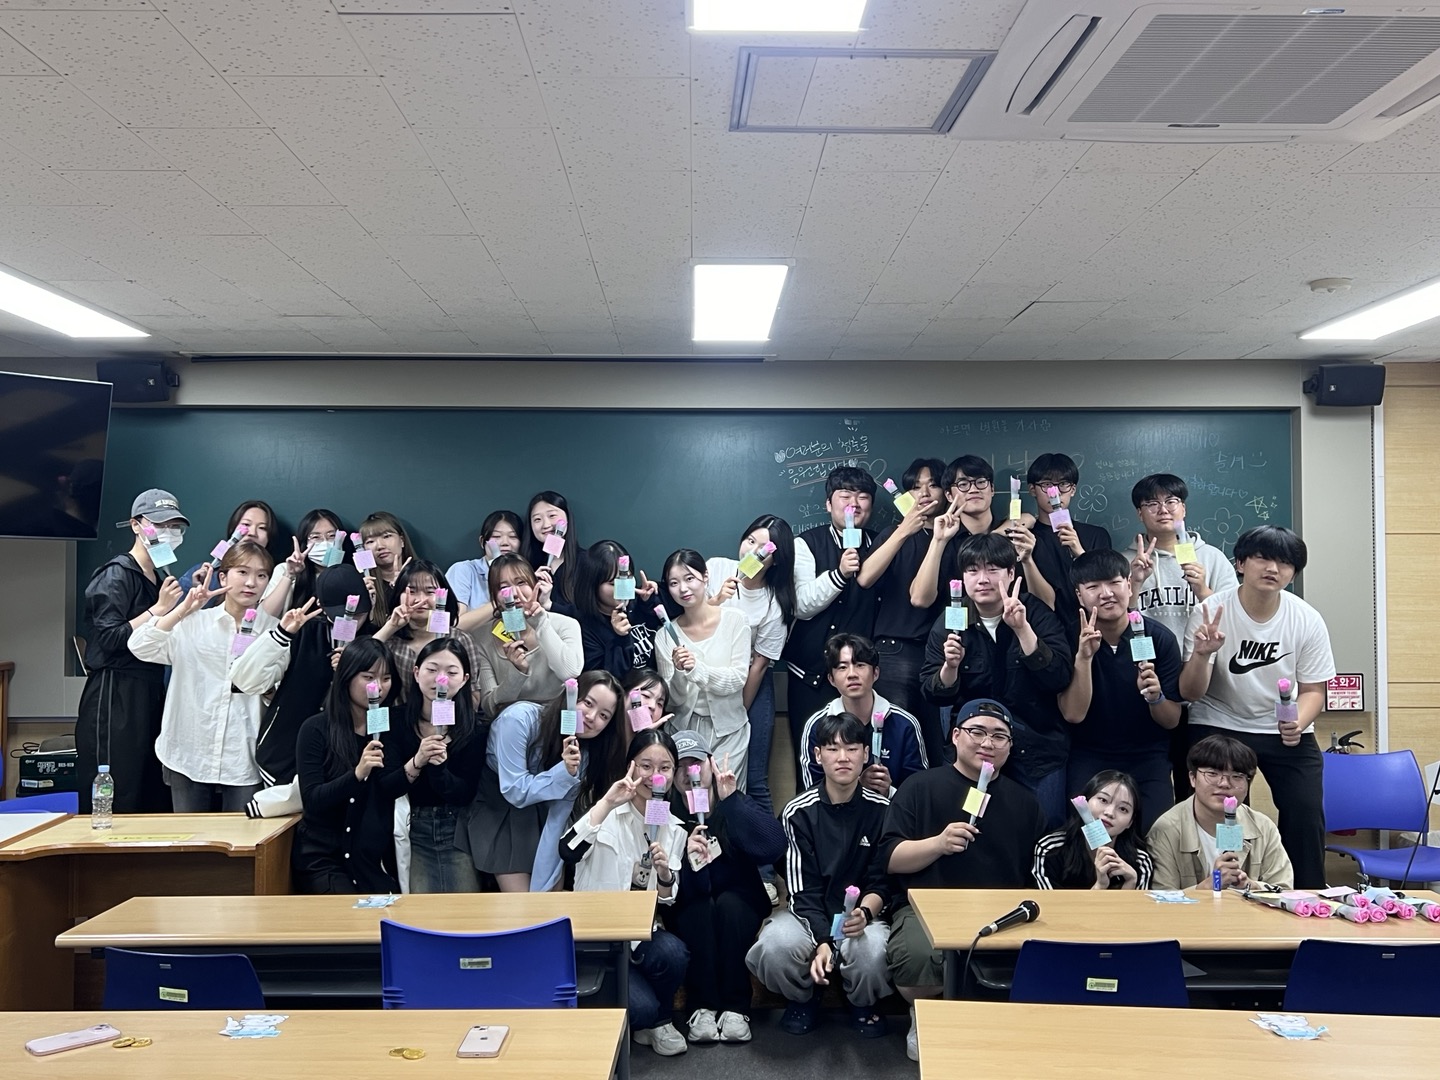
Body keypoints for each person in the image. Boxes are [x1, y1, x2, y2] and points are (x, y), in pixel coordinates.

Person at [881, 699, 1047, 1061]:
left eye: (999, 736)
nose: (987, 742)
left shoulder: (1026, 803)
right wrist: (938, 844)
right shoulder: (919, 787)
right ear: (956, 736)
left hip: (1000, 911)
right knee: (916, 960)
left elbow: (1035, 873)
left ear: (1010, 746)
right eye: (977, 732)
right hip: (926, 905)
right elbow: (890, 859)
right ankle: (925, 1013)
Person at [1179, 525, 1335, 889]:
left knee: (1305, 811)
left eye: (1285, 563)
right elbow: (1191, 692)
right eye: (1262, 558)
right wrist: (1202, 654)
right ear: (1240, 563)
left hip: (1282, 727)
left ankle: (1304, 895)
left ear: (1294, 572)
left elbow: (1314, 690)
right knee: (1216, 810)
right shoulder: (1210, 612)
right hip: (1218, 721)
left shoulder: (1306, 618)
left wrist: (1298, 722)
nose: (1273, 569)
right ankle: (1212, 888)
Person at [129, 540, 312, 811]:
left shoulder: (276, 631)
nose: (251, 583)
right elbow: (140, 646)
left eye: (261, 575)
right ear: (223, 577)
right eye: (243, 572)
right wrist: (183, 609)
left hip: (243, 754)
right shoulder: (194, 623)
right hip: (188, 748)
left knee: (244, 836)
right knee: (190, 836)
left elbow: (272, 690)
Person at [748, 711, 892, 1038]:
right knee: (774, 947)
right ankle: (804, 997)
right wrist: (824, 940)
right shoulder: (797, 812)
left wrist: (865, 913)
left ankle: (861, 1002)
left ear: (865, 754)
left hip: (861, 915)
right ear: (817, 755)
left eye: (852, 749)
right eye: (832, 748)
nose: (843, 757)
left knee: (873, 952)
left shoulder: (883, 810)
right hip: (808, 914)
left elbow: (882, 881)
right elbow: (803, 891)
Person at [919, 533, 1072, 825]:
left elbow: (1059, 678)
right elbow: (933, 692)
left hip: (1037, 745)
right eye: (972, 570)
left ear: (1011, 573)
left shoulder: (1035, 613)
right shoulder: (952, 619)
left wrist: (1023, 629)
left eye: (992, 569)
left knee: (1046, 825)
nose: (982, 579)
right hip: (975, 750)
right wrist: (950, 667)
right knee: (968, 827)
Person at [560, 730, 691, 1057]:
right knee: (641, 1010)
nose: (654, 776)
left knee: (674, 953)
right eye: (646, 765)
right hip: (595, 938)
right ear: (631, 766)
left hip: (638, 936)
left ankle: (660, 1020)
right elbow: (567, 851)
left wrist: (665, 874)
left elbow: (667, 898)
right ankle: (645, 1016)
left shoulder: (674, 828)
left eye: (664, 767)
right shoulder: (606, 812)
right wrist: (607, 802)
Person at [1125, 473, 1239, 801]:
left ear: (1183, 509)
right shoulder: (1127, 561)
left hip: (1207, 689)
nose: (1163, 509)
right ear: (1140, 513)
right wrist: (1135, 582)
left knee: (1204, 780)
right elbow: (1118, 619)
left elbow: (1234, 620)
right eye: (1152, 503)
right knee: (1153, 781)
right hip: (1150, 684)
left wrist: (1202, 589)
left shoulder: (1211, 558)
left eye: (1171, 501)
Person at [668, 729, 785, 1046]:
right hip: (689, 901)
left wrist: (732, 801)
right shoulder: (665, 810)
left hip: (740, 900)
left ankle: (736, 1009)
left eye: (696, 763)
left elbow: (774, 847)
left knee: (729, 906)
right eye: (680, 766)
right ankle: (702, 1008)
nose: (690, 772)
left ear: (711, 764)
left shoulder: (732, 800)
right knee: (700, 910)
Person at [464, 670, 626, 892]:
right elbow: (515, 791)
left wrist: (542, 894)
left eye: (604, 716)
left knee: (549, 895)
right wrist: (563, 772)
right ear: (571, 696)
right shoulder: (519, 720)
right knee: (521, 903)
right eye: (588, 703)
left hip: (542, 815)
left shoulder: (583, 755)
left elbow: (558, 819)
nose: (591, 716)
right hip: (499, 807)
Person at [76, 488, 187, 812]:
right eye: (160, 524)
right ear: (137, 525)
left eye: (175, 526)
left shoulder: (158, 576)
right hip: (115, 694)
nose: (169, 532)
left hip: (149, 689)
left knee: (147, 789)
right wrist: (158, 609)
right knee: (117, 789)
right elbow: (109, 638)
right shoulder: (116, 574)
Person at [1059, 550, 1181, 832]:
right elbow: (1073, 714)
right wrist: (1084, 659)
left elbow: (1172, 720)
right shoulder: (1067, 638)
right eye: (1093, 587)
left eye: (1114, 583)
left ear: (1128, 584)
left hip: (1147, 755)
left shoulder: (1159, 639)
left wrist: (1155, 697)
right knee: (1087, 833)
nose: (1106, 594)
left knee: (1157, 832)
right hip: (1089, 754)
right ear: (1079, 596)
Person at [234, 563, 375, 787]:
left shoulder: (374, 640)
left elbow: (383, 700)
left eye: (359, 615)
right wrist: (282, 634)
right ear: (322, 607)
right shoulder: (304, 633)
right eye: (340, 616)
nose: (351, 622)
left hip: (348, 765)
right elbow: (245, 681)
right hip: (286, 760)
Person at [782, 466, 881, 782]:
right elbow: (802, 605)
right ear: (829, 504)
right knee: (812, 763)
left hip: (859, 680)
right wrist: (839, 574)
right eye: (845, 496)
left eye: (862, 497)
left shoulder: (880, 544)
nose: (854, 504)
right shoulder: (805, 544)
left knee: (858, 761)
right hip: (810, 677)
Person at [292, 637, 405, 893]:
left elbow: (391, 787)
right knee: (349, 912)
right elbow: (313, 799)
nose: (378, 687)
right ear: (347, 676)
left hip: (371, 861)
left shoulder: (389, 727)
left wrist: (417, 763)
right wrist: (356, 774)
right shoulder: (316, 728)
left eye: (386, 678)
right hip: (324, 859)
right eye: (368, 677)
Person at [704, 514, 796, 819]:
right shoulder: (717, 568)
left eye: (763, 549)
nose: (752, 551)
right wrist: (717, 600)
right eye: (750, 541)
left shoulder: (774, 603)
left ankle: (766, 848)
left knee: (754, 776)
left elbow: (759, 663)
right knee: (699, 773)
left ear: (775, 560)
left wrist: (737, 710)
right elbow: (692, 620)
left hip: (749, 682)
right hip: (703, 674)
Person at [863, 457, 949, 761]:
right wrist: (903, 530)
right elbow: (865, 578)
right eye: (915, 487)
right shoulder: (892, 533)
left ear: (947, 491)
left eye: (933, 485)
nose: (924, 493)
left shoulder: (955, 537)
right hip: (893, 650)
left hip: (941, 654)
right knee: (891, 746)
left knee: (939, 746)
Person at [391, 637, 486, 892]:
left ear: (465, 679)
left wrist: (439, 767)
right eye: (432, 670)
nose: (440, 679)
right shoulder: (396, 720)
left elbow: (464, 793)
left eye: (451, 672)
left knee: (463, 908)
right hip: (411, 827)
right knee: (419, 908)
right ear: (416, 673)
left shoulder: (475, 729)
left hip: (458, 829)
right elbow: (388, 785)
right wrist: (418, 761)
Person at [1148, 735, 1294, 892]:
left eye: (1236, 776)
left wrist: (1250, 886)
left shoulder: (1263, 828)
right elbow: (1159, 899)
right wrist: (1208, 886)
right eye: (1212, 774)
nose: (1224, 784)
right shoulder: (1166, 830)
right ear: (1193, 778)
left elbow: (1284, 891)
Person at [656, 549, 751, 784]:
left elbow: (737, 679)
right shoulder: (665, 635)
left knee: (725, 794)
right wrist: (679, 672)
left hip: (729, 730)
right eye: (674, 583)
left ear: (705, 576)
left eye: (689, 578)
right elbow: (673, 700)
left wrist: (697, 670)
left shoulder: (735, 620)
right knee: (690, 797)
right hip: (683, 732)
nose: (683, 589)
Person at [799, 633, 927, 794]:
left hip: (891, 809)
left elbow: (918, 792)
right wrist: (857, 786)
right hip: (835, 810)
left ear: (875, 673)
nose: (852, 674)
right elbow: (812, 793)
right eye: (842, 667)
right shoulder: (817, 725)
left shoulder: (904, 724)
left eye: (860, 665)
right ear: (831, 679)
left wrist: (888, 792)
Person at [474, 553, 583, 717]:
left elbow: (570, 673)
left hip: (555, 718)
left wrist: (541, 623)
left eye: (521, 583)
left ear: (534, 585)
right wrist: (518, 672)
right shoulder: (482, 637)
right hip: (509, 719)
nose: (514, 593)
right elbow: (490, 706)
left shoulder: (566, 624)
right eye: (503, 587)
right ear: (494, 596)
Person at [1019, 453, 1113, 636]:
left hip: (1092, 629)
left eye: (1063, 484)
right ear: (1032, 489)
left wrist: (1080, 552)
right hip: (1042, 631)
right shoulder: (1026, 538)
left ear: (1073, 489)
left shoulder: (1096, 535)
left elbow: (1108, 586)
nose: (1055, 492)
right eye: (1047, 485)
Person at [373, 560, 484, 708]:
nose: (420, 600)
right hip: (401, 719)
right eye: (411, 591)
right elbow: (359, 665)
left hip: (450, 719)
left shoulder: (461, 640)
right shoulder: (390, 641)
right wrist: (390, 627)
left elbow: (473, 699)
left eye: (430, 592)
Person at [1032, 770, 1153, 890]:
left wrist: (1130, 884)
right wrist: (1099, 886)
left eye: (1123, 809)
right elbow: (1047, 903)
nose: (1110, 813)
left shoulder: (1140, 862)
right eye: (1103, 800)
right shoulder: (1050, 849)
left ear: (1130, 822)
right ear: (1086, 801)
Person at [573, 539, 661, 679]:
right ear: (593, 585)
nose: (622, 587)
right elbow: (608, 681)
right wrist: (620, 638)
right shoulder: (585, 629)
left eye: (627, 578)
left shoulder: (639, 604)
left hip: (657, 687)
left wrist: (649, 603)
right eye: (613, 583)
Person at [176, 498, 275, 598]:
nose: (252, 533)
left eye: (262, 528)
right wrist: (195, 592)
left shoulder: (276, 577)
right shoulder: (201, 573)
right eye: (246, 524)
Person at [447, 508, 523, 613]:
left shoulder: (525, 576)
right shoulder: (463, 570)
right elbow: (456, 620)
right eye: (496, 536)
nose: (505, 542)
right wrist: (503, 600)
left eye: (513, 536)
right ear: (482, 542)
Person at [358, 511, 416, 627]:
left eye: (387, 536)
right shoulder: (362, 585)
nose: (380, 546)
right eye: (370, 541)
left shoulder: (425, 575)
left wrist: (401, 588)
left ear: (402, 540)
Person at [525, 490, 579, 611]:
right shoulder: (525, 567)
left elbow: (591, 616)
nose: (546, 525)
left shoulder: (587, 563)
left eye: (552, 516)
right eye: (537, 519)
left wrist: (549, 605)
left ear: (567, 517)